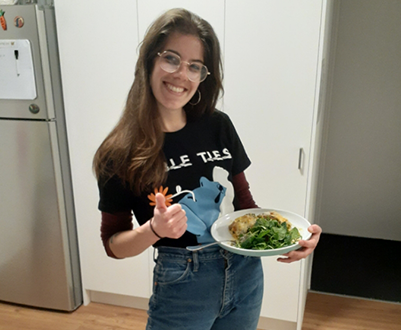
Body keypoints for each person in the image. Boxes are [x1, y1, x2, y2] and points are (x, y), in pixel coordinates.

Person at [93, 8, 322, 330]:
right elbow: (112, 244)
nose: (181, 75)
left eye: (195, 67)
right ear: (149, 61)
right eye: (171, 58)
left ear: (203, 75)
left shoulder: (218, 125)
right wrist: (154, 230)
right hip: (183, 280)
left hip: (245, 271)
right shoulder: (118, 153)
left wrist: (292, 237)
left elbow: (243, 203)